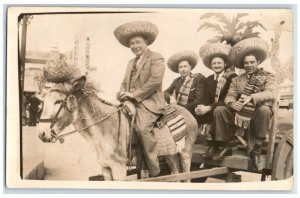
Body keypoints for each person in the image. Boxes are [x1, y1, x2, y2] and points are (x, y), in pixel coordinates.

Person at [214, 37, 277, 170]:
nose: (249, 65)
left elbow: (271, 93)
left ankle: (257, 148)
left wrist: (252, 97)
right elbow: (229, 96)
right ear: (243, 65)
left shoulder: (268, 76)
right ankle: (224, 146)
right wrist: (232, 104)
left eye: (252, 62)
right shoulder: (237, 79)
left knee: (265, 110)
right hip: (240, 112)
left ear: (258, 62)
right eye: (246, 63)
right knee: (220, 110)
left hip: (257, 113)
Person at [114, 21, 166, 177]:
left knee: (142, 129)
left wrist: (134, 95)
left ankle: (155, 169)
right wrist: (122, 93)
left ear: (146, 42)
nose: (134, 46)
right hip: (130, 102)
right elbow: (124, 82)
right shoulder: (131, 62)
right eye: (131, 43)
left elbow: (155, 81)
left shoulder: (156, 58)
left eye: (138, 42)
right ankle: (127, 161)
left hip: (149, 103)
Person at [196, 43, 237, 161]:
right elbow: (206, 98)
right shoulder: (208, 79)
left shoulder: (232, 77)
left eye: (219, 63)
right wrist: (201, 107)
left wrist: (209, 107)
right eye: (214, 63)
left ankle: (222, 145)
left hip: (229, 109)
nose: (217, 65)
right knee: (197, 111)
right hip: (214, 108)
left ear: (225, 64)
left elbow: (228, 99)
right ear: (211, 66)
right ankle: (209, 144)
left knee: (218, 110)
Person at [164, 50, 206, 126]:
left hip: (194, 111)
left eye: (185, 66)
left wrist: (182, 109)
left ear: (190, 67)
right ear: (178, 70)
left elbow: (199, 99)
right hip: (179, 109)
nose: (183, 69)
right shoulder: (176, 81)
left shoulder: (199, 78)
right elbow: (165, 93)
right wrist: (171, 97)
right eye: (180, 67)